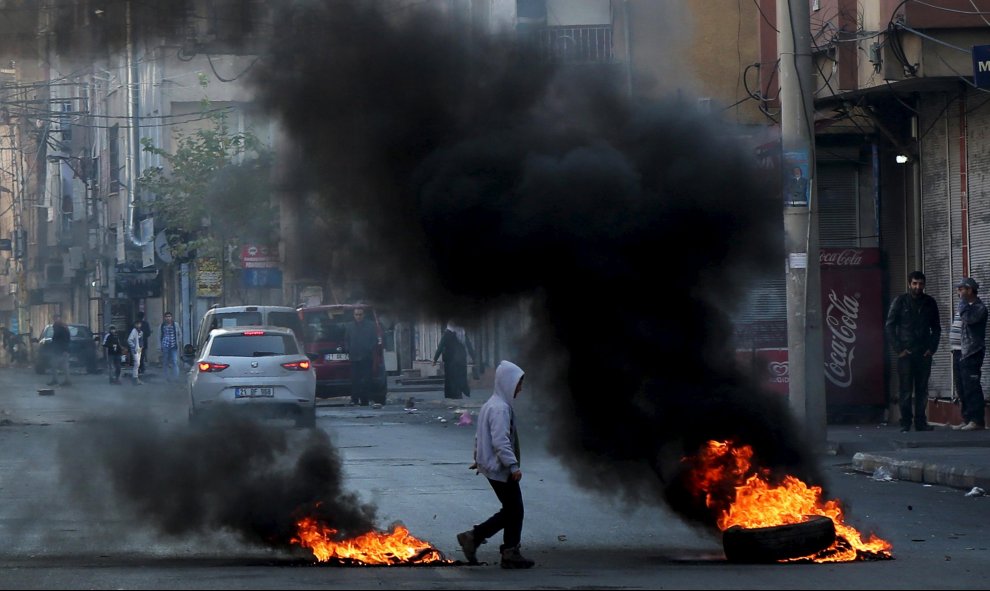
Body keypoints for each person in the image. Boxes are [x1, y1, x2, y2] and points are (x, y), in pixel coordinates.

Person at [457, 360, 535, 569]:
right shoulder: (500, 408)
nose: (520, 388)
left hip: (491, 466)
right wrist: (513, 467)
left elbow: (479, 436)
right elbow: (500, 441)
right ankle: (483, 540)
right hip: (500, 468)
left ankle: (497, 545)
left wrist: (478, 458)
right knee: (514, 510)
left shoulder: (491, 404)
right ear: (508, 383)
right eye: (518, 383)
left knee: (512, 509)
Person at [885, 270, 941, 432]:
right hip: (906, 352)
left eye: (921, 284)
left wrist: (932, 348)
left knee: (922, 389)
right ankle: (905, 422)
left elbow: (936, 328)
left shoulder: (930, 302)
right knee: (905, 390)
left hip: (923, 352)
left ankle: (920, 422)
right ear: (909, 284)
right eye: (915, 283)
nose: (918, 287)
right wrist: (898, 349)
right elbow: (889, 326)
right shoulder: (900, 301)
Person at [952, 278, 987, 431]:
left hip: (971, 352)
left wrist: (962, 304)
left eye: (961, 289)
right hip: (958, 351)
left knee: (972, 386)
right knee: (961, 387)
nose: (959, 292)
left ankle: (977, 420)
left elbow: (969, 319)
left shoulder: (978, 308)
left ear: (970, 290)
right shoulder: (964, 306)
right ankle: (967, 418)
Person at [433, 321, 476, 399]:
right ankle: (461, 392)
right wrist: (474, 358)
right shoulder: (462, 333)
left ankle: (453, 395)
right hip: (462, 360)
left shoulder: (447, 334)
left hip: (450, 360)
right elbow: (469, 346)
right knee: (460, 376)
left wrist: (435, 359)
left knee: (451, 378)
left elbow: (440, 347)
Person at [345, 306, 378, 407]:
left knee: (367, 379)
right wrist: (349, 349)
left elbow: (375, 339)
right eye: (356, 314)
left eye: (360, 314)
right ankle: (354, 399)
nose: (358, 316)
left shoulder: (370, 325)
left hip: (366, 357)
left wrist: (368, 348)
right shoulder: (349, 326)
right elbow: (346, 339)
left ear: (363, 315)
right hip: (354, 357)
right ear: (353, 315)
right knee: (355, 380)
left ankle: (365, 400)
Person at [47, 314, 71, 386]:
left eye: (56, 318)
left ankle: (62, 380)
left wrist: (65, 350)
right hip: (58, 349)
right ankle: (63, 380)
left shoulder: (62, 328)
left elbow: (65, 340)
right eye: (54, 318)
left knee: (61, 365)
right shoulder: (57, 327)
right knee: (61, 365)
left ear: (59, 319)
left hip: (61, 350)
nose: (55, 320)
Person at [159, 312, 182, 383]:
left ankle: (176, 378)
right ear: (164, 318)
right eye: (166, 316)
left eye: (169, 316)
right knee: (165, 362)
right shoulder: (162, 326)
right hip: (165, 345)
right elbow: (159, 336)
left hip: (173, 345)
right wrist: (159, 346)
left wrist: (179, 342)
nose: (168, 318)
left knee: (175, 361)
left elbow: (179, 334)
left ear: (171, 317)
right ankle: (166, 377)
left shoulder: (175, 325)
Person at [127, 320, 144, 385]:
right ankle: (135, 378)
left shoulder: (140, 331)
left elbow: (141, 340)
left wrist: (141, 347)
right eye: (137, 324)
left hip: (139, 348)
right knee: (136, 363)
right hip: (135, 349)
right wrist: (133, 346)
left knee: (138, 363)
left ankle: (136, 378)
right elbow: (129, 340)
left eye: (139, 324)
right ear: (135, 325)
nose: (138, 325)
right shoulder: (134, 331)